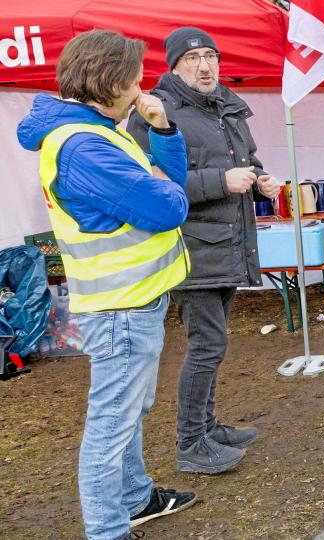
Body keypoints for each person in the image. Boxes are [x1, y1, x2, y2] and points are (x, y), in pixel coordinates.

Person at [17, 29, 196, 539]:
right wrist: (164, 187)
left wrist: (161, 131)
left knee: (130, 408)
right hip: (121, 308)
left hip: (134, 300)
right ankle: (106, 530)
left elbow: (168, 187)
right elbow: (169, 207)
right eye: (136, 76)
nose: (143, 86)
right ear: (112, 79)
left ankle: (136, 498)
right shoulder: (83, 145)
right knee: (111, 424)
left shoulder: (100, 129)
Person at [128, 26, 275, 475]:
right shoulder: (156, 113)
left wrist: (260, 181)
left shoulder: (228, 107)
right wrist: (221, 182)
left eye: (211, 55)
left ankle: (208, 427)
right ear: (174, 66)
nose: (206, 65)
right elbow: (150, 187)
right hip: (191, 248)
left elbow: (246, 160)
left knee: (214, 343)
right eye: (193, 59)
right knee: (207, 345)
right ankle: (190, 443)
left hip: (230, 244)